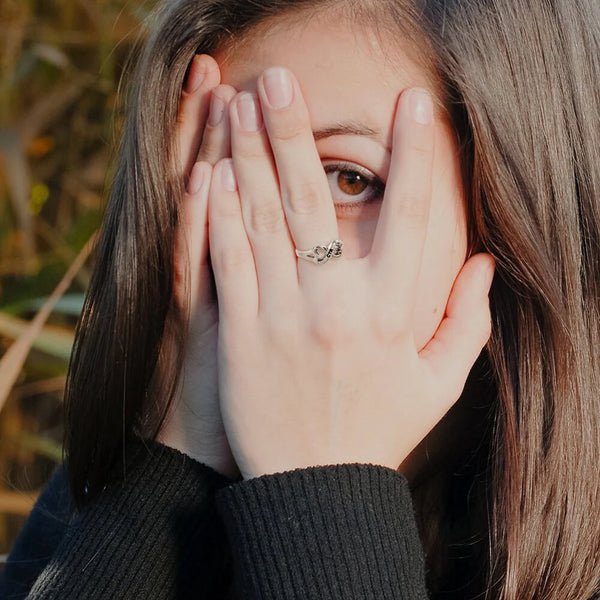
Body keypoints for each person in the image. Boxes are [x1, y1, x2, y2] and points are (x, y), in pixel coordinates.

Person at [1, 0, 599, 598]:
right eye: (217, 172)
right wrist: (176, 460)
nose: (248, 239)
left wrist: (328, 485)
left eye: (348, 179)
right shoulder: (128, 467)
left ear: (528, 216)